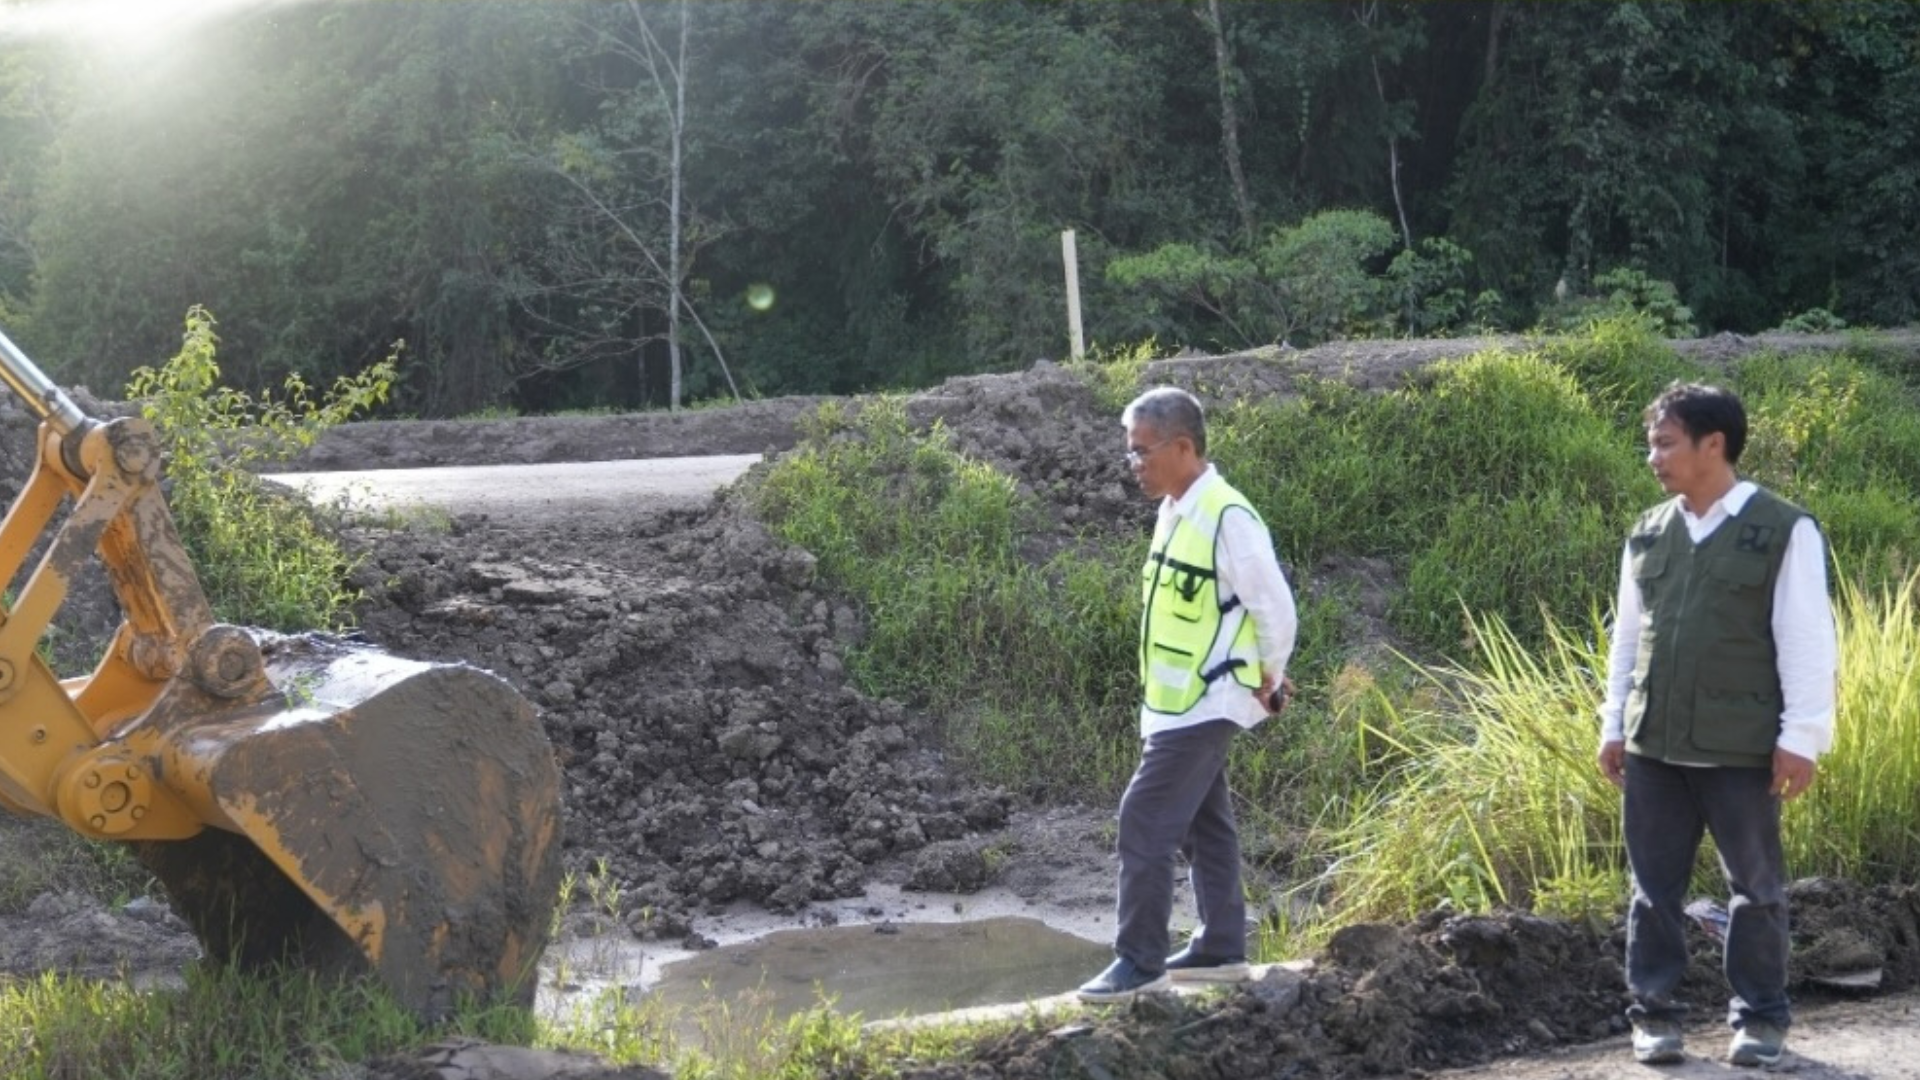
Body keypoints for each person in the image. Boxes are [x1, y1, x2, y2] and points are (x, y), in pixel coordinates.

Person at [1597, 382, 1837, 1067]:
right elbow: (1629, 639)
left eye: (1665, 443)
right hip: (1655, 748)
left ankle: (1760, 1021)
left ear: (1714, 444)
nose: (1653, 457)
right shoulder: (1647, 531)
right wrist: (1614, 723)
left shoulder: (1784, 529)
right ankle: (1655, 1016)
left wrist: (1801, 738)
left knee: (1757, 891)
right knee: (1653, 893)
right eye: (1652, 443)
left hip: (1741, 751)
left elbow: (1806, 641)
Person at [1077, 387, 1298, 1004]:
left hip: (1209, 699)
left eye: (1142, 453)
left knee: (1144, 819)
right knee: (1207, 821)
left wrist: (1272, 675)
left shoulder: (1229, 516)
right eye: (1130, 455)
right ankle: (1222, 946)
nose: (1134, 465)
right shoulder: (1176, 510)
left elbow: (1274, 607)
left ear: (1182, 446)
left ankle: (1138, 960)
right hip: (1178, 702)